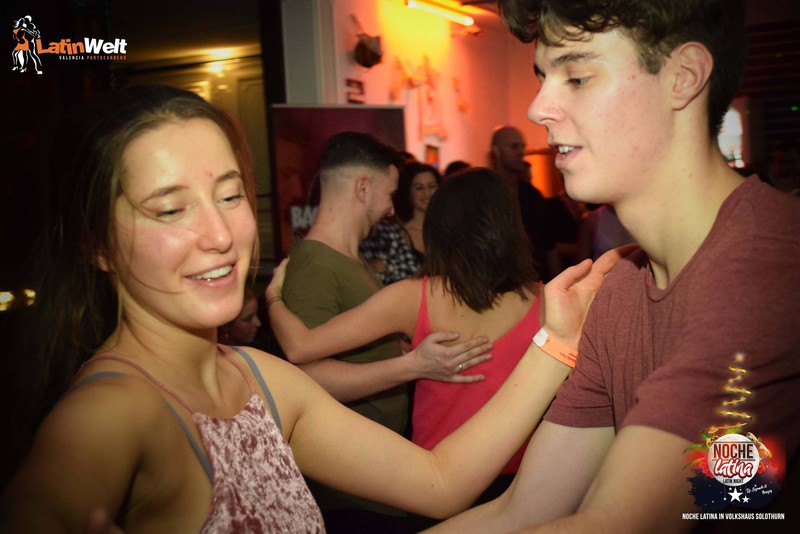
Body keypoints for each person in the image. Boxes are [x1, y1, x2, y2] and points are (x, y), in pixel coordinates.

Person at [0, 85, 628, 532]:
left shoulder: (258, 378)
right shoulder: (111, 411)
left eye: (229, 196)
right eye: (170, 209)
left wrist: (558, 338)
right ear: (96, 245)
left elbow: (440, 481)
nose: (219, 234)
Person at [431, 1, 800, 532]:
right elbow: (524, 511)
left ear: (683, 77)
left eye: (577, 77)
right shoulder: (619, 290)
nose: (537, 108)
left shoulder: (768, 267)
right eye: (542, 77)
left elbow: (615, 524)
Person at [268, 168, 573, 530]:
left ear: (439, 230)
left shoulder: (414, 298)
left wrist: (272, 298)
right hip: (525, 484)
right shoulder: (548, 303)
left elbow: (300, 347)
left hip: (433, 484)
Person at [272, 131, 486, 532]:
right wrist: (412, 366)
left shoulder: (349, 261)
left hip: (374, 475)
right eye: (389, 194)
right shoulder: (315, 266)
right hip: (350, 490)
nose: (391, 209)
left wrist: (399, 350)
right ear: (363, 188)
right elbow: (306, 379)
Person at [490, 125, 558, 281]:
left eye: (522, 146)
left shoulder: (532, 196)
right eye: (514, 146)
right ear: (497, 150)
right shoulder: (484, 194)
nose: (521, 152)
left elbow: (549, 246)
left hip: (536, 282)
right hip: (496, 284)